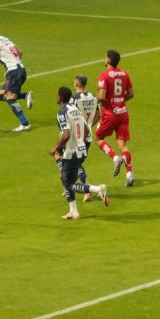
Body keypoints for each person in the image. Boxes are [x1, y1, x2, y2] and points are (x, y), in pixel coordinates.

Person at [50, 86, 108, 220]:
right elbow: (86, 130)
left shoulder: (62, 113)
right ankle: (73, 212)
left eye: (57, 94)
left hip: (71, 152)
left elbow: (66, 134)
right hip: (81, 150)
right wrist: (80, 142)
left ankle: (97, 189)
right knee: (65, 180)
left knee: (68, 184)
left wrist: (56, 147)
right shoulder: (75, 109)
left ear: (60, 97)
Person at [0, 19, 33, 132]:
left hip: (14, 72)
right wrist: (10, 67)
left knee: (10, 98)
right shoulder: (5, 39)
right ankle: (25, 95)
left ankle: (25, 124)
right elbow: (20, 52)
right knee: (0, 95)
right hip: (20, 70)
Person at [96, 49, 135, 186]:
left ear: (108, 60)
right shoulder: (124, 73)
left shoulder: (104, 75)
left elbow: (101, 96)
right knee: (123, 145)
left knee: (98, 138)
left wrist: (92, 101)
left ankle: (115, 158)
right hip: (123, 113)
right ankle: (129, 174)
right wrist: (119, 101)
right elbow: (131, 93)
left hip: (110, 115)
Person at [70, 74, 99, 201]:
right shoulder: (93, 97)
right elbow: (99, 114)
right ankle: (71, 186)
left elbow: (70, 115)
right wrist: (89, 125)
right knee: (75, 163)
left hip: (76, 137)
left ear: (76, 84)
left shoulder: (74, 99)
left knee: (74, 163)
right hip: (88, 137)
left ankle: (87, 189)